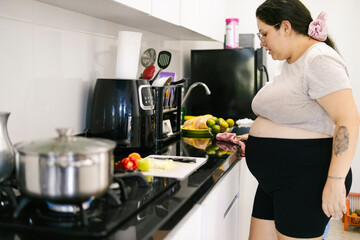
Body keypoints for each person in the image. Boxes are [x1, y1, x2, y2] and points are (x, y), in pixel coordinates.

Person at [239, 0, 360, 239]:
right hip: (276, 179)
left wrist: (335, 181)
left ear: (285, 27)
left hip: (305, 179)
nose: (262, 43)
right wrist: (255, 137)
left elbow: (348, 119)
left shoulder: (319, 59)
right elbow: (297, 117)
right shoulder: (290, 63)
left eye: (264, 34)